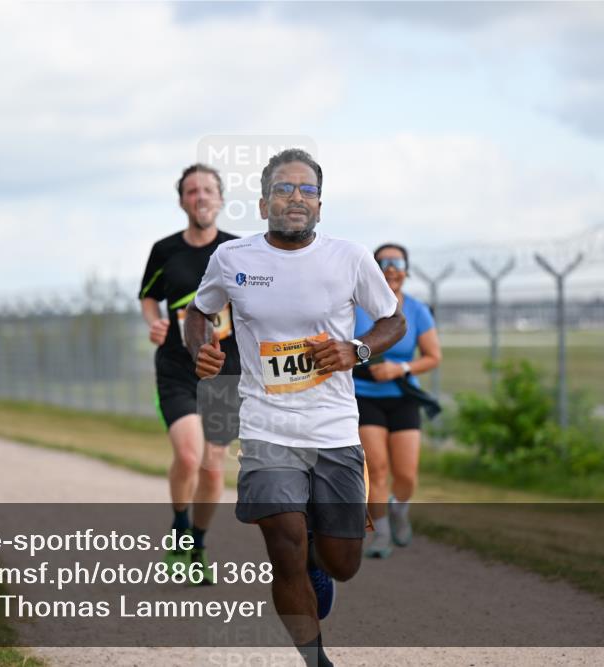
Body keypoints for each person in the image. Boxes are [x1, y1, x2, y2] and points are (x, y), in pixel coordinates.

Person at [185, 149, 406, 667]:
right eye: (284, 189)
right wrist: (201, 349)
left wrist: (359, 350)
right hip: (266, 426)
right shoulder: (233, 259)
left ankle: (317, 557)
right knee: (283, 544)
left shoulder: (349, 257)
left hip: (333, 428)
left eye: (307, 190)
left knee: (343, 561)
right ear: (264, 204)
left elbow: (393, 321)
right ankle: (315, 660)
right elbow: (200, 311)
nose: (296, 199)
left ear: (321, 206)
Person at [138, 163, 241, 583]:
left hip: (223, 369)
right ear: (182, 200)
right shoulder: (165, 250)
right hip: (178, 366)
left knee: (214, 466)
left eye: (208, 190)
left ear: (220, 199)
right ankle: (179, 527)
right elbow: (148, 297)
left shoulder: (239, 251)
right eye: (192, 191)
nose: (200, 197)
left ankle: (197, 544)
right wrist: (155, 323)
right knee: (187, 455)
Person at [353, 244, 441, 559]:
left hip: (403, 397)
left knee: (406, 474)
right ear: (375, 269)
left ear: (406, 269)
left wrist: (400, 368)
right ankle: (381, 535)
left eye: (398, 262)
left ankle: (398, 510)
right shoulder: (357, 308)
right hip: (365, 397)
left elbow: (433, 357)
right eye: (384, 262)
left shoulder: (417, 310)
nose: (391, 268)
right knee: (376, 469)